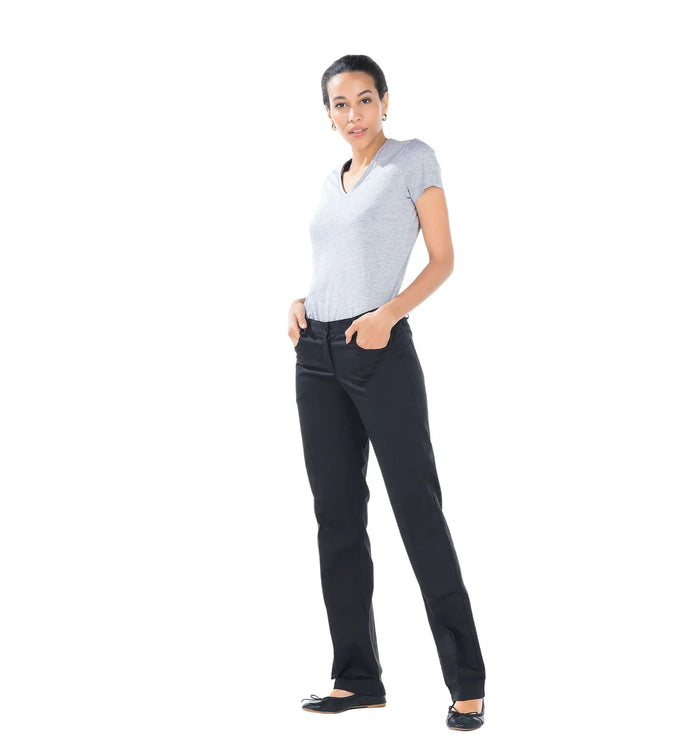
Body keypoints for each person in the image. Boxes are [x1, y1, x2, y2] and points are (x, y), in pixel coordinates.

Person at [288, 54, 486, 731]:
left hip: (378, 352)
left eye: (365, 99)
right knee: (337, 518)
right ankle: (356, 678)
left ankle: (467, 682)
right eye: (340, 104)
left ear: (385, 102)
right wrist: (302, 302)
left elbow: (443, 259)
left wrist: (388, 315)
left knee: (418, 510)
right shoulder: (331, 181)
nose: (354, 115)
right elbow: (337, 265)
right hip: (315, 354)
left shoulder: (412, 160)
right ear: (328, 114)